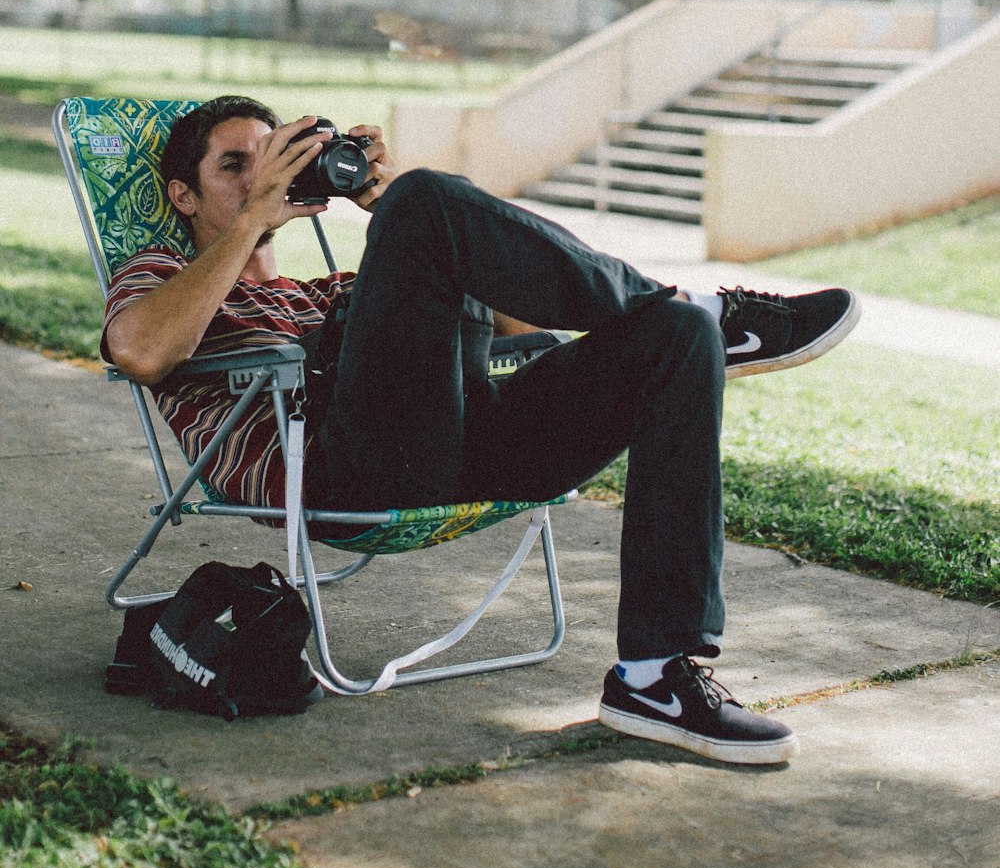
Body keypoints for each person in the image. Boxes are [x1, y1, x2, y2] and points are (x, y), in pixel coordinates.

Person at [102, 94, 861, 766]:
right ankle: (699, 304)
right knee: (431, 205)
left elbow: (526, 330)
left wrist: (388, 200)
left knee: (676, 337)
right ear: (183, 193)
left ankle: (655, 677)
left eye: (271, 161)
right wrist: (261, 220)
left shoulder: (335, 287)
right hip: (343, 477)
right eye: (233, 166)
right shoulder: (162, 275)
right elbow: (140, 350)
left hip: (464, 444)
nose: (254, 178)